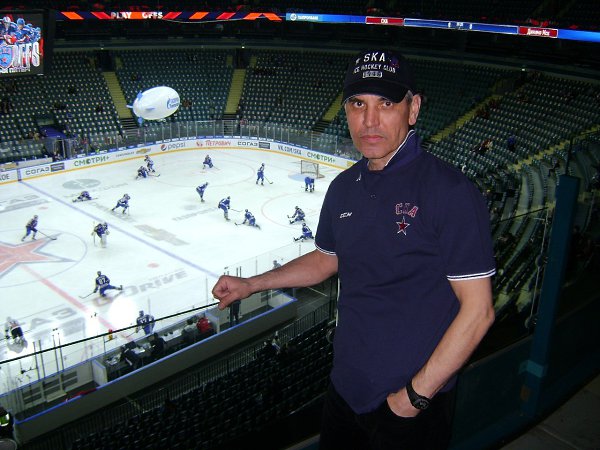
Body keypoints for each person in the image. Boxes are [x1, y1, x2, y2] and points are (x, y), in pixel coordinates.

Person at [212, 48, 496, 450]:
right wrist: (252, 283)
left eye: (386, 104)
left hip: (410, 406)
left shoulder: (451, 192)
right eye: (358, 104)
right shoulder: (344, 187)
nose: (370, 120)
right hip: (345, 392)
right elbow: (326, 259)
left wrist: (412, 399)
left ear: (413, 109)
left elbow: (479, 311)